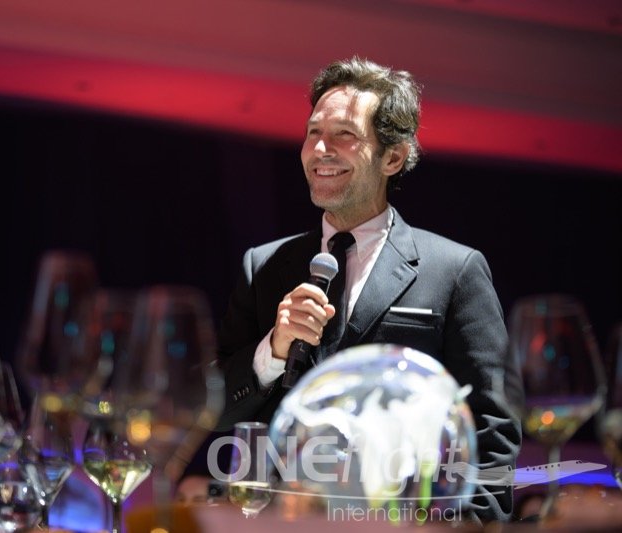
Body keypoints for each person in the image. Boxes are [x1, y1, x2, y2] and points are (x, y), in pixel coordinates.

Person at [214, 56, 521, 524]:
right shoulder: (264, 265)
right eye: (313, 132)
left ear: (392, 157)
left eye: (344, 135)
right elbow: (209, 409)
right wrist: (271, 351)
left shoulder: (455, 271)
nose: (320, 149)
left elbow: (492, 433)